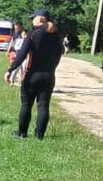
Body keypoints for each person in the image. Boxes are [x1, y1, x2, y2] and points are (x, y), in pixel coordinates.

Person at [4, 9, 63, 139]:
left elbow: (21, 55)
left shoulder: (33, 34)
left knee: (26, 104)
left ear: (41, 19)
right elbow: (60, 53)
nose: (32, 21)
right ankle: (39, 135)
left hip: (32, 75)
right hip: (49, 75)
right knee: (43, 105)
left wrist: (10, 70)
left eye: (33, 18)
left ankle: (22, 132)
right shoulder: (57, 35)